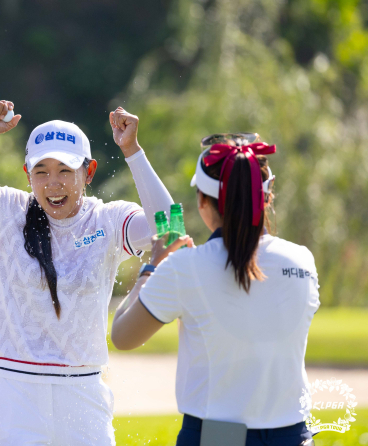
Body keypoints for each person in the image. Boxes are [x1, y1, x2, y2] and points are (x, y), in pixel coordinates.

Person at [0, 100, 174, 445]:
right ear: (27, 174)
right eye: (41, 171)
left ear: (89, 172)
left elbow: (169, 227)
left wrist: (132, 150)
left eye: (65, 170)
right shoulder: (6, 208)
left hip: (83, 393)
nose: (53, 183)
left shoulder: (108, 220)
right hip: (11, 396)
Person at [111, 134, 319, 446]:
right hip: (293, 435)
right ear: (267, 194)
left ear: (203, 201)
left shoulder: (184, 269)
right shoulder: (302, 260)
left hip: (218, 437)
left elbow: (122, 336)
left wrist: (152, 267)